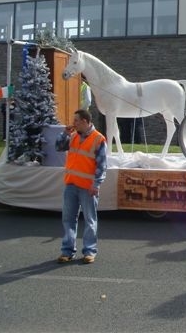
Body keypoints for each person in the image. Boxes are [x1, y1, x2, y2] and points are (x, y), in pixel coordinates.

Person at [55, 109, 107, 264]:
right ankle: (67, 251)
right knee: (68, 219)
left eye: (76, 120)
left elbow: (101, 165)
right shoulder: (73, 136)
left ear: (85, 121)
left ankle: (89, 251)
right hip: (71, 183)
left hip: (87, 186)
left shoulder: (98, 139)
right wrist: (64, 133)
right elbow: (58, 146)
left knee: (90, 219)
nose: (73, 123)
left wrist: (96, 184)